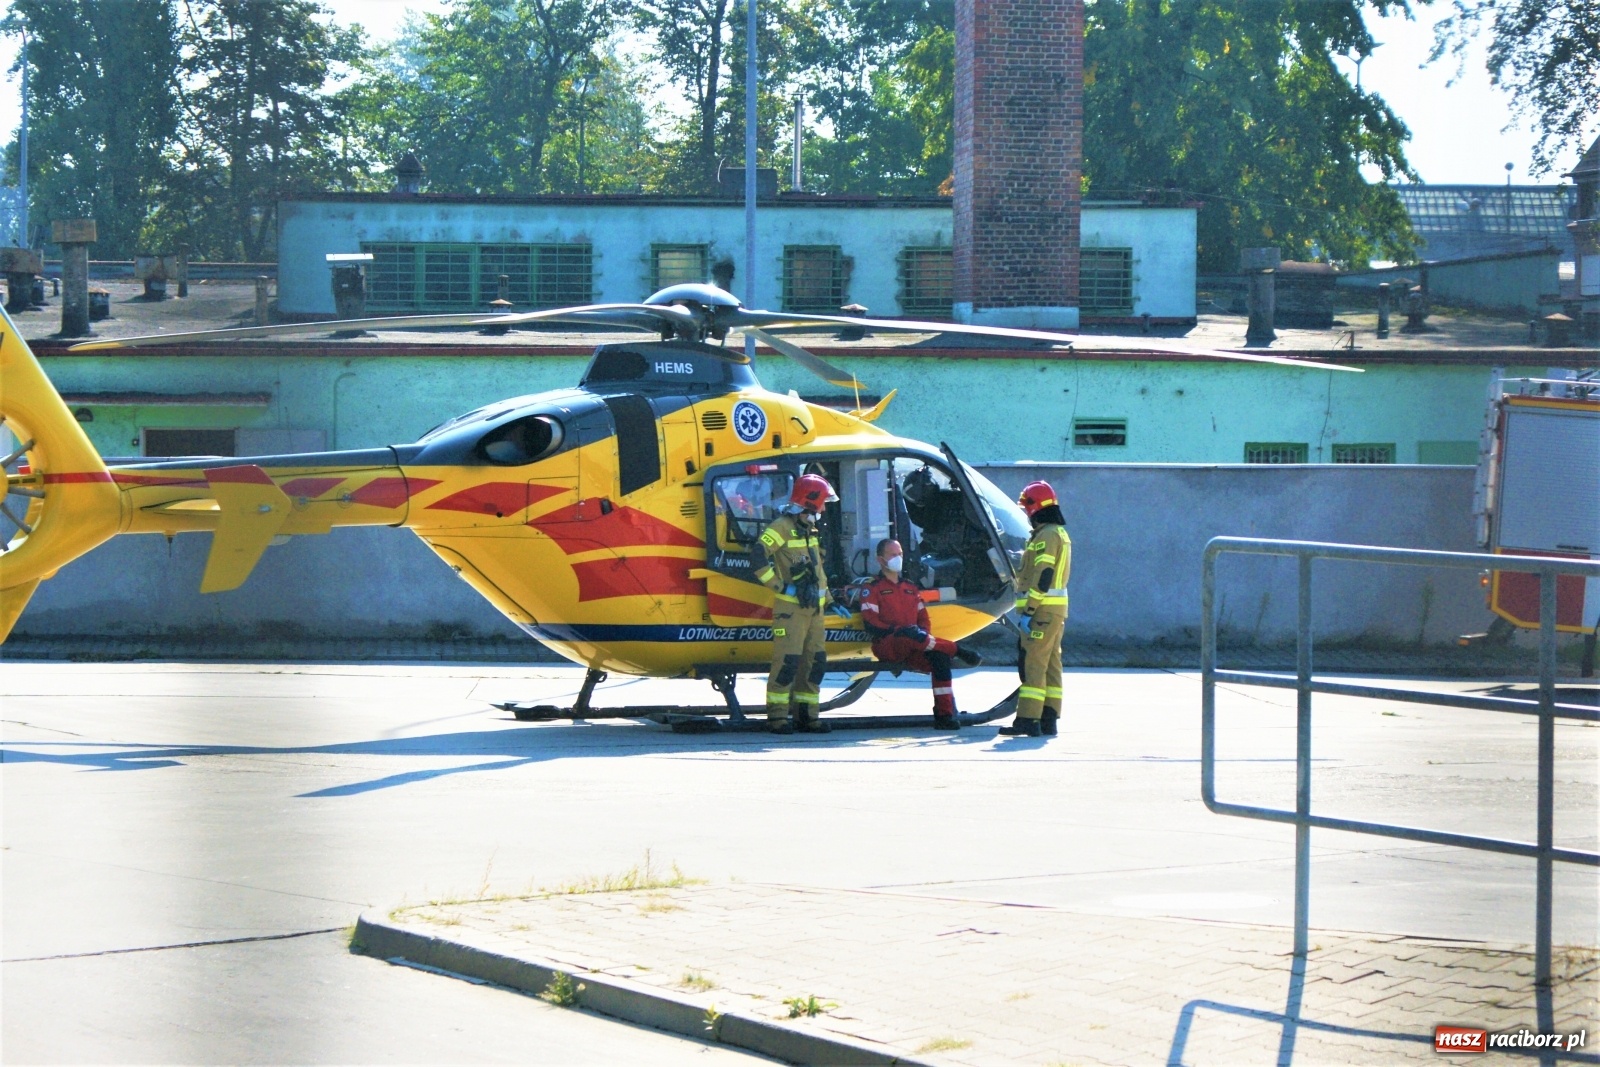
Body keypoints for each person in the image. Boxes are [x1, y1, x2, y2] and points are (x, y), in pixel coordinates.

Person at [860, 539, 982, 730]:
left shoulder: (910, 588)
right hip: (888, 644)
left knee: (940, 658)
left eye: (900, 554)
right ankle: (957, 649)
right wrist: (899, 632)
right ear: (880, 560)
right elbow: (871, 623)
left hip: (916, 643)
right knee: (909, 633)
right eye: (893, 555)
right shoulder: (872, 588)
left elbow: (923, 618)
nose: (898, 558)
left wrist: (922, 635)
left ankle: (944, 715)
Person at [754, 473, 838, 734]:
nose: (824, 508)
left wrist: (831, 600)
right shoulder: (780, 527)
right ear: (810, 503)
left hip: (815, 611)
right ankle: (777, 718)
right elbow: (757, 557)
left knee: (815, 663)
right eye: (823, 503)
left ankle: (807, 717)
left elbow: (817, 570)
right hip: (790, 612)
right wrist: (780, 586)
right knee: (788, 662)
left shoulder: (810, 530)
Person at [999, 480, 1071, 738]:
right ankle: (1048, 718)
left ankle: (1028, 720)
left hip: (1041, 612)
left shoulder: (1046, 536)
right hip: (1055, 611)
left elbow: (1044, 574)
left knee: (1034, 666)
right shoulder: (1058, 533)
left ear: (1034, 508)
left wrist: (1029, 611)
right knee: (1052, 664)